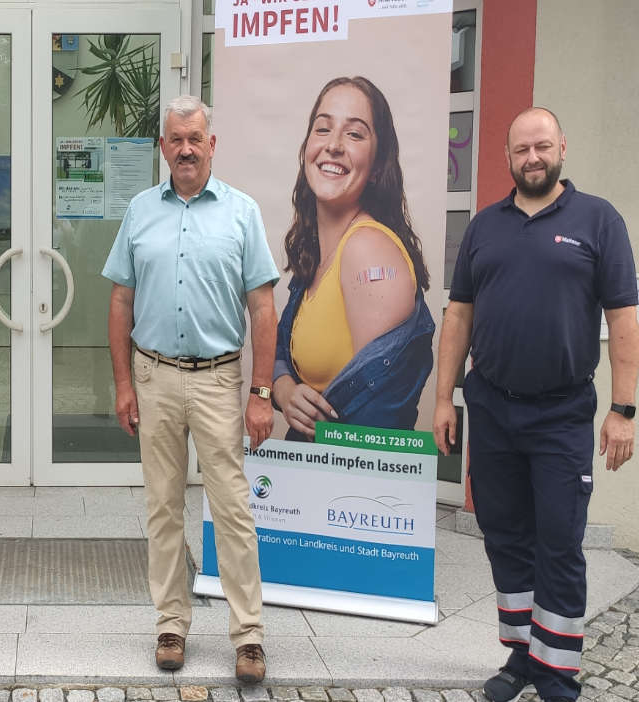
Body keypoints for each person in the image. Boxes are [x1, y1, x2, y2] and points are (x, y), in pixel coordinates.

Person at [433, 107, 638, 702]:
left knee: (559, 539)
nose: (533, 158)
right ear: (507, 156)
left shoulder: (599, 221)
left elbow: (624, 320)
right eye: (521, 149)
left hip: (561, 413)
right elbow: (458, 316)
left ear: (562, 149)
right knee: (504, 534)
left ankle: (558, 673)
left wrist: (623, 409)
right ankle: (521, 657)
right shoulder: (485, 226)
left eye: (542, 146)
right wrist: (444, 397)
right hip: (493, 408)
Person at [103, 95, 278, 684]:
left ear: (211, 144)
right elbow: (120, 300)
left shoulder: (241, 212)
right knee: (163, 507)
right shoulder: (139, 212)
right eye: (174, 139)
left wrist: (260, 390)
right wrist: (124, 382)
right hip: (152, 376)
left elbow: (262, 305)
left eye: (194, 138)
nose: (184, 148)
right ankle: (170, 624)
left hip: (220, 379)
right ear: (162, 147)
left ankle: (248, 634)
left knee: (231, 508)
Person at [272, 76, 434, 440]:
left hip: (348, 487)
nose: (333, 145)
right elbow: (282, 344)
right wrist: (283, 390)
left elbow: (373, 424)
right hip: (316, 473)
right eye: (323, 128)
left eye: (355, 134)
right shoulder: (316, 253)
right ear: (306, 148)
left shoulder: (366, 250)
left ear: (377, 166)